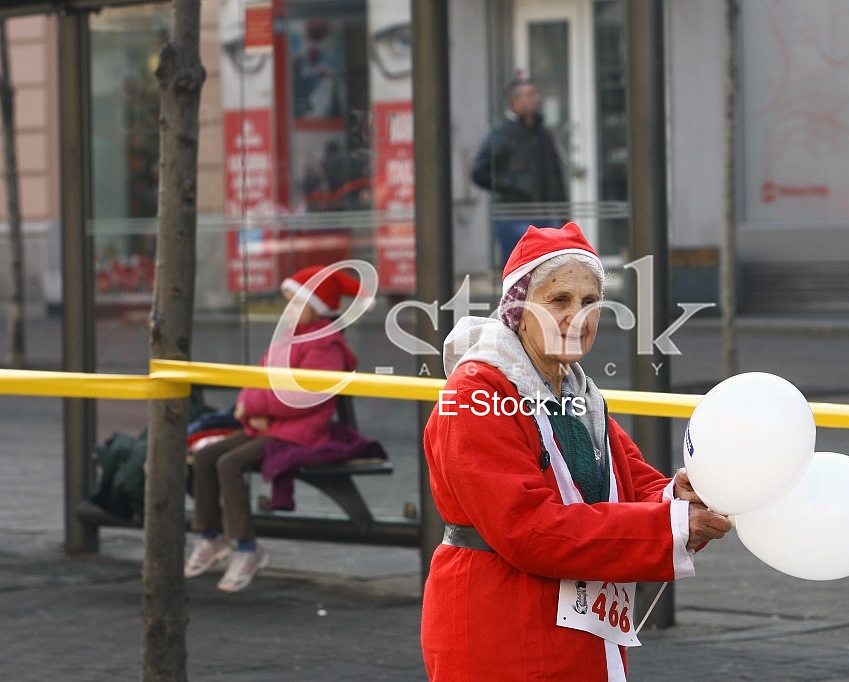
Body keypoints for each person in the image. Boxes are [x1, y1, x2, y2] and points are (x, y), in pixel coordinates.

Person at [421, 223, 733, 680]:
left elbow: (630, 480)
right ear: (517, 310)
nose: (578, 316)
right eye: (559, 300)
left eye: (591, 302)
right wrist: (670, 524)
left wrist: (676, 498)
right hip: (501, 621)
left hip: (576, 626)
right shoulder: (476, 393)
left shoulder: (575, 391)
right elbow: (526, 528)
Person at [184, 264, 374, 593]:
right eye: (287, 300)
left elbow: (306, 395)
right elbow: (258, 379)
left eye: (297, 302)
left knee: (229, 463)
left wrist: (256, 408)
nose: (289, 309)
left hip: (299, 432)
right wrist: (246, 407)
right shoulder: (286, 338)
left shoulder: (325, 345)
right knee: (205, 456)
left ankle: (246, 548)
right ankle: (210, 537)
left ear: (319, 307)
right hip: (269, 426)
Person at [471, 79, 569, 264]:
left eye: (537, 93)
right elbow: (479, 172)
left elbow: (555, 176)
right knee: (519, 272)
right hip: (514, 215)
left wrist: (564, 214)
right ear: (515, 102)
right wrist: (514, 184)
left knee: (551, 270)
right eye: (530, 94)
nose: (537, 98)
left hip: (544, 215)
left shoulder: (543, 134)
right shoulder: (500, 134)